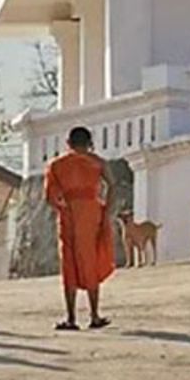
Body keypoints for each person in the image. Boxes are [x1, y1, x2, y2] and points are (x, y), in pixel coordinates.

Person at [43, 125, 114, 331]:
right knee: (90, 258)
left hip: (69, 213)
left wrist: (62, 207)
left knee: (69, 262)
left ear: (68, 144)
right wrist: (106, 210)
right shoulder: (97, 162)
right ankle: (94, 315)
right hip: (92, 212)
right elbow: (112, 184)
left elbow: (49, 196)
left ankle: (71, 317)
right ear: (90, 143)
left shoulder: (57, 165)